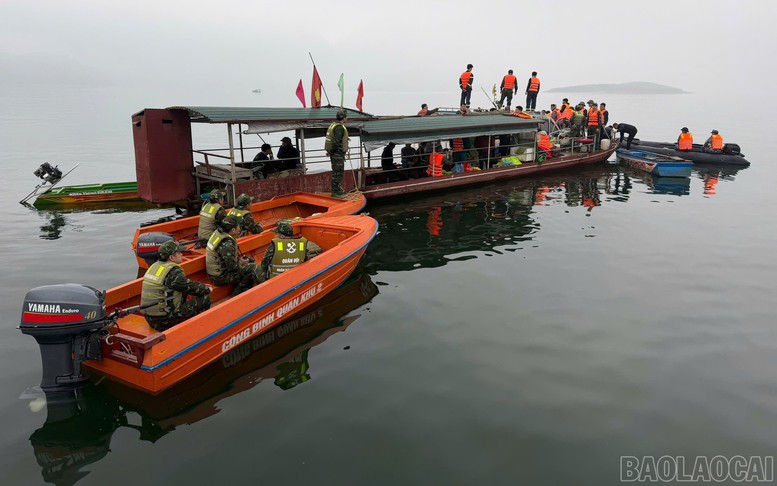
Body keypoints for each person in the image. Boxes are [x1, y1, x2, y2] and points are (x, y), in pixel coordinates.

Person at [141, 240, 211, 331]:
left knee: (182, 293)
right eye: (179, 252)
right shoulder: (173, 272)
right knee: (205, 299)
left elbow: (183, 285)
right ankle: (195, 329)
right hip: (164, 322)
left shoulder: (154, 267)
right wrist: (207, 289)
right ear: (171, 257)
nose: (182, 254)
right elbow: (191, 287)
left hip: (150, 319)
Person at [206, 215, 265, 296]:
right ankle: (240, 293)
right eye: (238, 227)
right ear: (233, 230)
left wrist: (239, 261)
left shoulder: (218, 233)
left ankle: (242, 289)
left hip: (215, 274)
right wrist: (241, 263)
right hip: (220, 278)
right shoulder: (227, 243)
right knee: (254, 267)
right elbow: (233, 268)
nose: (240, 228)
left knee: (249, 264)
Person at [325, 110, 349, 197]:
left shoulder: (334, 125)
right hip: (337, 154)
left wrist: (329, 152)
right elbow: (336, 142)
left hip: (335, 153)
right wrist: (331, 152)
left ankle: (337, 190)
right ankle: (335, 192)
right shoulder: (339, 128)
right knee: (338, 173)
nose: (347, 118)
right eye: (346, 117)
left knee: (337, 172)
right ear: (344, 117)